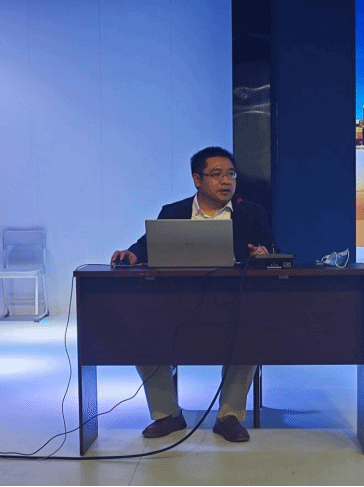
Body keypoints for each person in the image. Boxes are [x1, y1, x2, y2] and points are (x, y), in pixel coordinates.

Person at [111, 146, 274, 443]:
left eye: (231, 174)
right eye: (217, 174)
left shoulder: (252, 213)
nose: (226, 181)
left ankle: (228, 416)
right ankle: (167, 415)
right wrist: (132, 254)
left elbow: (271, 250)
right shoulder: (173, 212)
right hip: (176, 304)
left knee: (248, 335)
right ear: (197, 179)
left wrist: (264, 253)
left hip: (231, 304)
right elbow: (146, 245)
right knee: (143, 335)